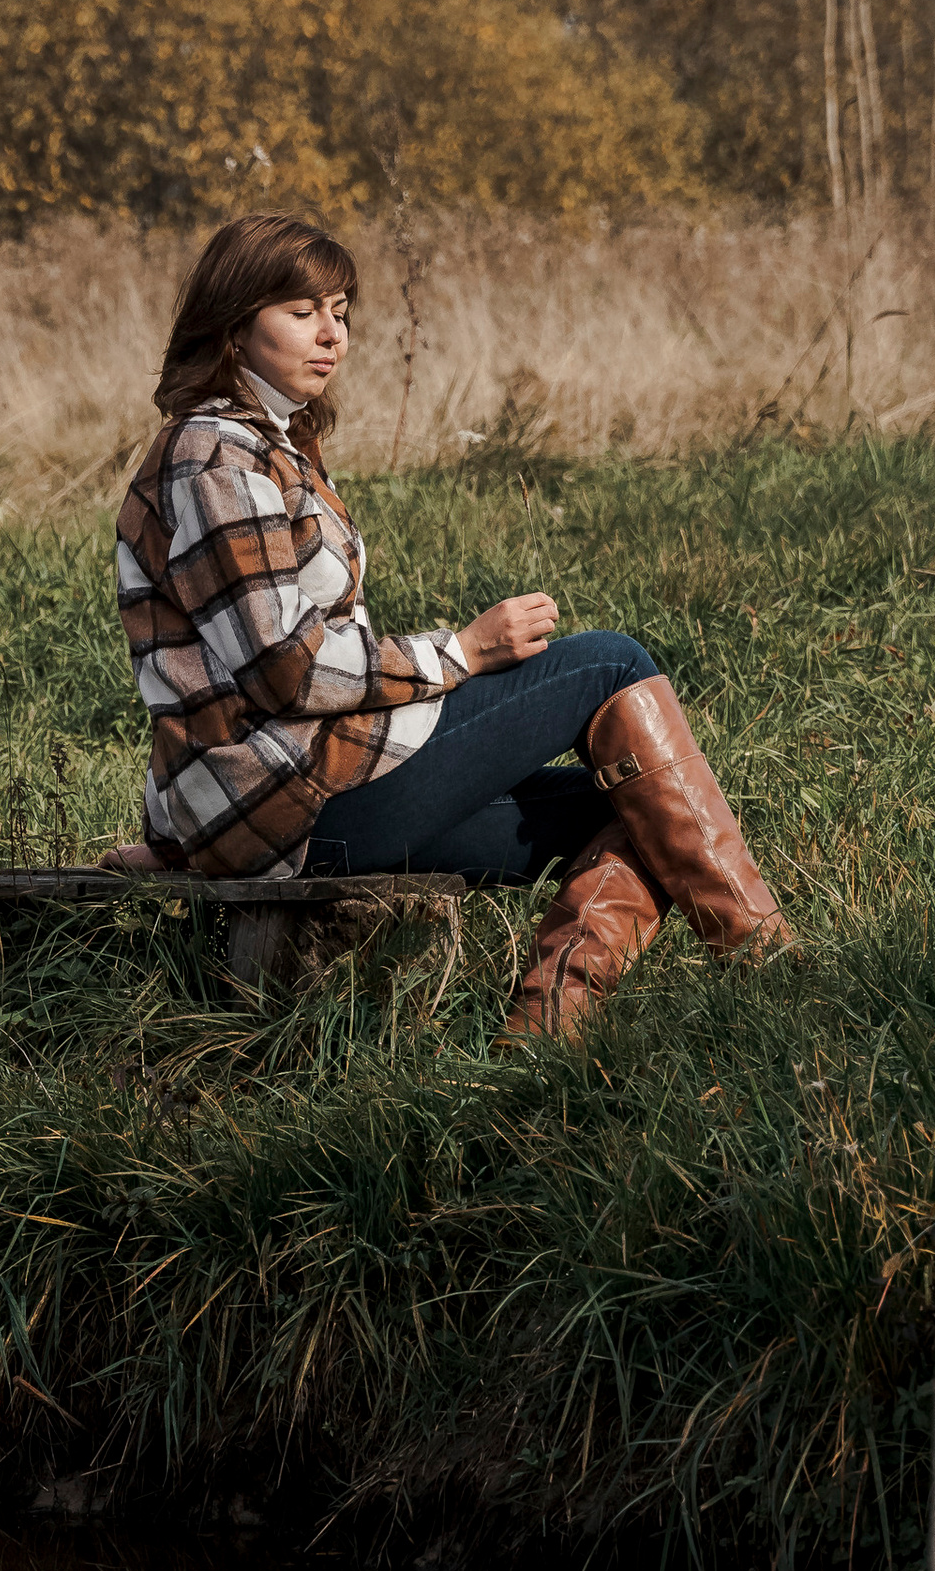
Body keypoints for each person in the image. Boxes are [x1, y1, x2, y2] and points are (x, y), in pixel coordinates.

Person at [111, 211, 791, 1036]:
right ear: (234, 324)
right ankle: (768, 963)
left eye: (342, 311)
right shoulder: (217, 456)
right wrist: (461, 651)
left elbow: (197, 677)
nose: (334, 334)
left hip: (287, 809)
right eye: (302, 312)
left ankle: (548, 1028)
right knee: (609, 664)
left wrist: (176, 830)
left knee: (630, 799)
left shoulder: (265, 445)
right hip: (306, 808)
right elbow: (281, 668)